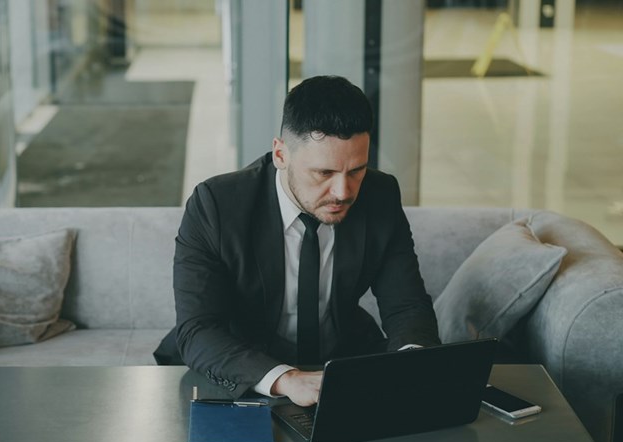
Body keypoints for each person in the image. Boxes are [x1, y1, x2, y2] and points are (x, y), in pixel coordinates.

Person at [154, 75, 440, 407]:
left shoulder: (380, 195)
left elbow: (407, 305)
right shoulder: (216, 204)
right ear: (280, 154)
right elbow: (198, 329)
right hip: (238, 368)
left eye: (357, 171)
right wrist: (285, 379)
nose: (343, 192)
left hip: (340, 363)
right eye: (323, 173)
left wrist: (414, 362)